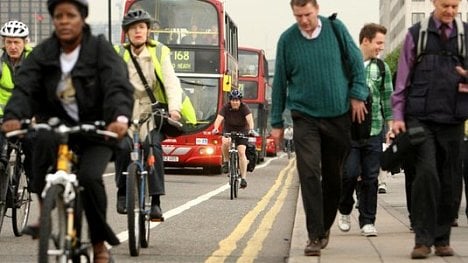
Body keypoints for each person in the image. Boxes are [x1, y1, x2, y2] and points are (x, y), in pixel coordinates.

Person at [0, 0, 134, 261]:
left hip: (95, 129)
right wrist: (14, 116)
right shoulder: (44, 52)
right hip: (56, 125)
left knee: (89, 178)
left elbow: (117, 85)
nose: (63, 20)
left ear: (82, 19)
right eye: (58, 16)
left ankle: (97, 244)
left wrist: (119, 117)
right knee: (38, 147)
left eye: (70, 15)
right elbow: (25, 86)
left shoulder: (99, 50)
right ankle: (44, 211)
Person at [270, 0, 368, 257]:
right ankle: (314, 235)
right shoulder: (287, 41)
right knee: (309, 172)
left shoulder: (337, 29)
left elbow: (357, 63)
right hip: (305, 118)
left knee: (335, 179)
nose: (303, 20)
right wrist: (276, 123)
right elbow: (279, 81)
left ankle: (324, 227)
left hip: (338, 116)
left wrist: (357, 93)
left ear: (317, 9)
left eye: (308, 14)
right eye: (298, 15)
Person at [392, 0, 467, 259]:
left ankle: (442, 238)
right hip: (420, 118)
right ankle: (422, 240)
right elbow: (402, 81)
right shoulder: (416, 35)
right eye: (445, 5)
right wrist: (398, 116)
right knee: (426, 174)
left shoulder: (466, 35)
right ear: (434, 2)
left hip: (454, 118)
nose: (450, 10)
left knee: (451, 180)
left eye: (455, 6)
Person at [113, 9, 187, 221]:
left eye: (142, 27)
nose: (138, 31)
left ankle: (155, 201)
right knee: (123, 146)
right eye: (133, 28)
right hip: (125, 109)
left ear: (148, 31)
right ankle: (122, 191)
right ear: (127, 32)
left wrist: (175, 108)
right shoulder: (119, 53)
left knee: (152, 145)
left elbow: (172, 82)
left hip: (151, 109)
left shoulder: (159, 52)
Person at [337, 23, 393, 237]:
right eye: (378, 43)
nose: (381, 47)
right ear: (365, 41)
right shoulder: (347, 65)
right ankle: (344, 207)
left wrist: (390, 127)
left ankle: (368, 221)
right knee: (349, 175)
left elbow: (387, 99)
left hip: (374, 131)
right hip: (349, 132)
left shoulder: (382, 68)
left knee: (371, 178)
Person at [0, 20, 34, 179]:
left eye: (16, 42)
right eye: (9, 42)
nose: (13, 46)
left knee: (32, 146)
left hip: (27, 117)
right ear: (3, 43)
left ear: (25, 42)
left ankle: (32, 175)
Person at [212, 89, 256, 189]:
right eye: (233, 100)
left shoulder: (244, 108)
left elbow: (250, 119)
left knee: (241, 151)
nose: (235, 102)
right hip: (229, 129)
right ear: (230, 100)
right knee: (225, 142)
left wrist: (251, 129)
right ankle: (227, 162)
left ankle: (243, 178)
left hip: (242, 130)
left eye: (237, 100)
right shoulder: (226, 107)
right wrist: (215, 128)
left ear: (240, 101)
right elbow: (219, 118)